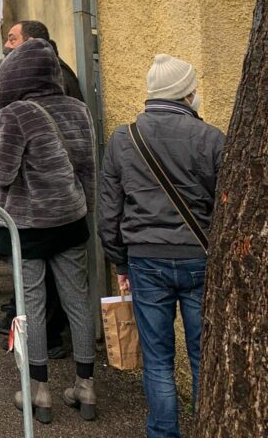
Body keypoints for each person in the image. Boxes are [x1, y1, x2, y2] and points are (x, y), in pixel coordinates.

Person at [99, 54, 222, 438]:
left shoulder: (124, 138)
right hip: (200, 258)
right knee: (205, 356)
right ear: (187, 93)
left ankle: (163, 433)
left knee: (157, 360)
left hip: (145, 259)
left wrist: (119, 264)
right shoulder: (212, 138)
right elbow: (227, 205)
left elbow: (109, 209)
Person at [0, 38, 97, 424]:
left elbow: (0, 174)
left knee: (30, 307)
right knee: (77, 302)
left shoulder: (14, 114)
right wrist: (88, 215)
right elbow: (88, 170)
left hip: (28, 225)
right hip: (72, 219)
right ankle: (86, 386)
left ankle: (39, 390)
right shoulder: (78, 108)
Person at [5, 20, 84, 102]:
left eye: (12, 39)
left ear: (31, 43)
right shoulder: (43, 72)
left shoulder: (52, 77)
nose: (6, 45)